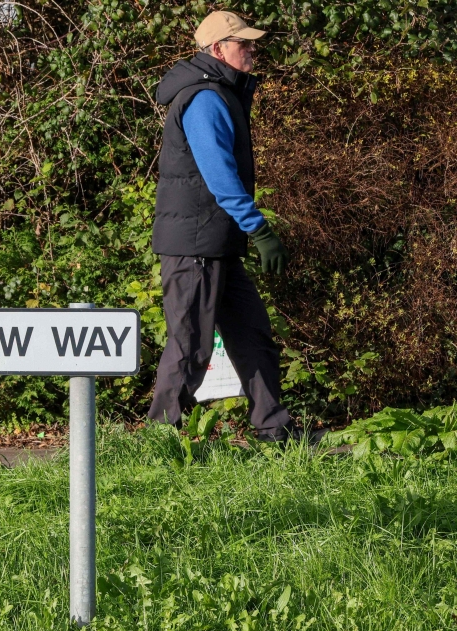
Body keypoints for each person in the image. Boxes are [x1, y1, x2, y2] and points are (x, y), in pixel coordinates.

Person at [147, 11, 319, 444]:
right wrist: (260, 231)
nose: (253, 49)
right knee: (190, 348)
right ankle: (156, 442)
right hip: (196, 243)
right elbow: (220, 177)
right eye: (244, 43)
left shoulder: (222, 93)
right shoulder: (205, 98)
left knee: (253, 337)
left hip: (216, 242)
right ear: (218, 49)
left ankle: (275, 432)